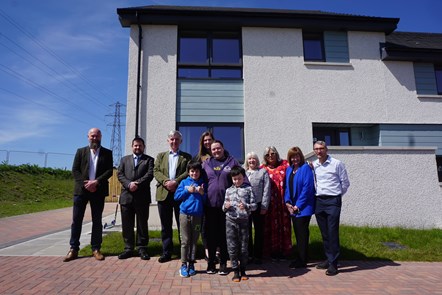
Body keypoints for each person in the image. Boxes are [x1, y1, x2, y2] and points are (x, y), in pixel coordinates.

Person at [63, 127, 113, 262]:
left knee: (97, 221)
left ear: (101, 137)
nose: (94, 138)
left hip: (98, 190)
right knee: (76, 220)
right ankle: (73, 249)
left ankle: (96, 249)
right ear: (88, 137)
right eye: (92, 136)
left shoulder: (107, 153)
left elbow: (109, 171)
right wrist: (86, 184)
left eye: (97, 136)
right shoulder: (80, 152)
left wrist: (96, 182)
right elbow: (75, 170)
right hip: (81, 191)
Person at [202, 140, 241, 275]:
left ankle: (224, 263)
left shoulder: (232, 162)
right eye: (213, 149)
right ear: (210, 151)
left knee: (225, 235)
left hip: (227, 206)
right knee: (211, 236)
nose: (216, 151)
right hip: (210, 205)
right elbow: (197, 178)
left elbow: (242, 179)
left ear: (223, 148)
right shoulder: (206, 164)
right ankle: (211, 263)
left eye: (218, 148)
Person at [312, 140, 350, 276]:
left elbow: (345, 183)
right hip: (319, 200)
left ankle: (334, 264)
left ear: (326, 149)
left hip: (333, 200)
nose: (319, 151)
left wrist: (337, 196)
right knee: (325, 233)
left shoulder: (337, 164)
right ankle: (329, 259)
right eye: (316, 149)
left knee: (332, 231)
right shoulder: (314, 165)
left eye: (321, 148)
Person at [154, 130, 192, 263]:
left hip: (179, 194)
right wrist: (166, 182)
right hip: (163, 194)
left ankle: (185, 252)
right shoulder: (161, 156)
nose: (174, 141)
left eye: (177, 139)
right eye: (172, 139)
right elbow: (156, 171)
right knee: (166, 225)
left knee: (183, 224)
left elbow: (188, 172)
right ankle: (167, 252)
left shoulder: (187, 157)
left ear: (181, 141)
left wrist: (175, 182)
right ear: (168, 141)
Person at [117, 137, 154, 260]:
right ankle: (128, 248)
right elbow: (120, 174)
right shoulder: (124, 160)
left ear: (144, 146)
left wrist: (136, 184)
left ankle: (142, 248)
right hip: (126, 197)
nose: (137, 148)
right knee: (127, 224)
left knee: (142, 224)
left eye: (140, 145)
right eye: (135, 145)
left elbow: (149, 175)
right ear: (132, 146)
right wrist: (128, 184)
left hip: (142, 197)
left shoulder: (149, 160)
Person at [223, 165, 257, 282]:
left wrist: (246, 206)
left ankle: (243, 270)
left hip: (243, 222)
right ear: (232, 179)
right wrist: (225, 207)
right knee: (232, 247)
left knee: (243, 248)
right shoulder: (228, 190)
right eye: (234, 179)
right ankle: (235, 271)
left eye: (239, 178)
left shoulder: (248, 189)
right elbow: (224, 207)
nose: (237, 181)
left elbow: (254, 206)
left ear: (243, 178)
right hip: (230, 221)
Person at [174, 161, 207, 277]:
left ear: (200, 172)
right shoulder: (184, 182)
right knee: (185, 241)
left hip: (197, 216)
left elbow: (206, 201)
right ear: (188, 172)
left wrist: (203, 194)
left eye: (197, 171)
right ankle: (183, 264)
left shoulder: (202, 183)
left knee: (194, 242)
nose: (194, 173)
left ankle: (191, 264)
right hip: (184, 214)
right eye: (192, 171)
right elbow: (176, 196)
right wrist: (187, 191)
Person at [284, 147, 315, 269]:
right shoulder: (289, 170)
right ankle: (301, 256)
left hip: (303, 208)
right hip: (293, 207)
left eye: (297, 156)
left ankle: (302, 260)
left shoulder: (305, 168)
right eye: (292, 157)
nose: (295, 159)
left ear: (301, 156)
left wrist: (298, 205)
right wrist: (287, 202)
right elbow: (287, 187)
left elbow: (307, 189)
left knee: (302, 234)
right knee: (297, 233)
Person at [261, 146, 292, 261]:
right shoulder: (262, 168)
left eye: (273, 153)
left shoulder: (285, 165)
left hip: (283, 203)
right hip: (269, 204)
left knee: (284, 227)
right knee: (269, 227)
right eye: (268, 155)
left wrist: (309, 164)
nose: (270, 156)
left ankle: (284, 252)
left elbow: (297, 167)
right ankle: (270, 253)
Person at [244, 151, 271, 264]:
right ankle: (249, 254)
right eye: (249, 159)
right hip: (246, 205)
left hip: (259, 204)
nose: (251, 161)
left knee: (259, 231)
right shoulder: (244, 172)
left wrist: (264, 205)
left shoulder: (262, 172)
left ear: (257, 160)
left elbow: (266, 189)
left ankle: (258, 255)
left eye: (253, 158)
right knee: (247, 231)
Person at [192, 130, 215, 261]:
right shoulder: (198, 158)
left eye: (209, 140)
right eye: (205, 140)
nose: (207, 142)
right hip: (202, 195)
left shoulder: (220, 155)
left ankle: (217, 250)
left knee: (216, 224)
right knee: (205, 225)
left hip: (217, 195)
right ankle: (207, 252)